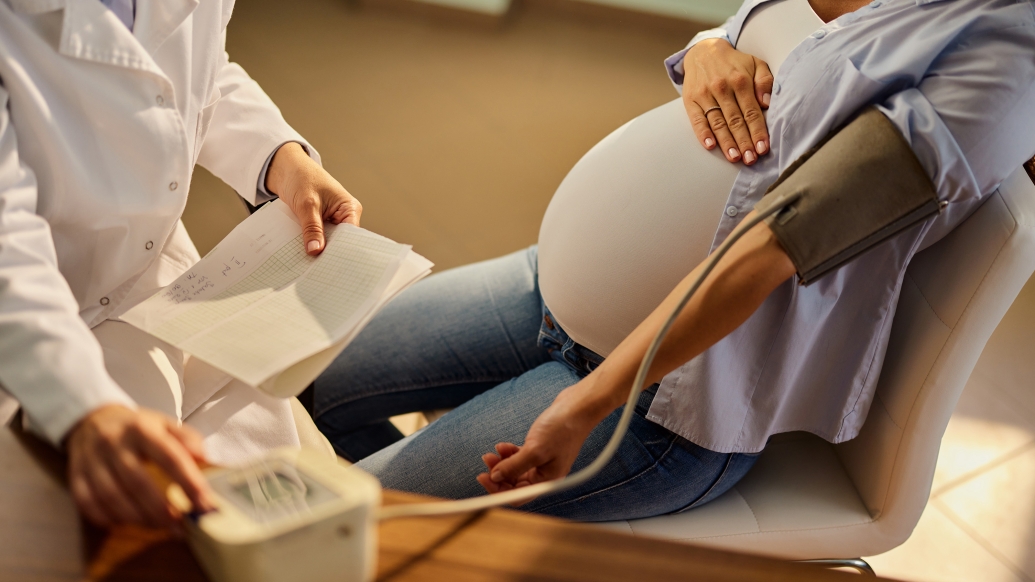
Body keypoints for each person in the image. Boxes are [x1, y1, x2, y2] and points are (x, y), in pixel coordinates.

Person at [312, 0, 1035, 521]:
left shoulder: (1007, 58)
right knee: (307, 386)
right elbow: (770, 45)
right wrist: (707, 50)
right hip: (551, 292)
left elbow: (775, 241)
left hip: (658, 404)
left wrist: (580, 408)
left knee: (331, 517)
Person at [0, 0, 361, 530]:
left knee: (293, 510)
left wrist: (282, 158)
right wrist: (81, 404)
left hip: (153, 286)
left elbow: (192, 73)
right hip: (29, 331)